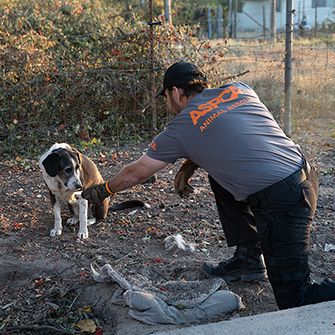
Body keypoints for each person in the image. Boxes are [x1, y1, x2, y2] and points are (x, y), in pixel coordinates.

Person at [82, 61, 335, 310]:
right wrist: (191, 162)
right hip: (304, 175)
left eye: (166, 96)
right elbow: (237, 131)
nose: (168, 103)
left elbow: (136, 172)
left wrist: (104, 190)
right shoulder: (239, 89)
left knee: (295, 298)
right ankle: (249, 260)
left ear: (176, 93)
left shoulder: (181, 126)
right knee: (220, 179)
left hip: (284, 201)